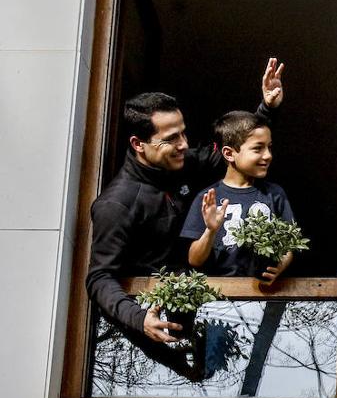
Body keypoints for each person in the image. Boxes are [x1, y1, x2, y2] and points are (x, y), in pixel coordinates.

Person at [86, 59, 285, 346]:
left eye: (183, 132)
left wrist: (266, 108)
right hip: (159, 323)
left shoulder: (183, 159)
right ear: (138, 144)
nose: (183, 144)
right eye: (171, 138)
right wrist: (138, 318)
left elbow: (235, 154)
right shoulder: (117, 204)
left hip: (221, 308)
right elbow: (100, 278)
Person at [181, 111, 296, 281]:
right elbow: (194, 260)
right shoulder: (207, 198)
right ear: (229, 153)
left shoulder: (274, 194)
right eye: (258, 148)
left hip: (262, 294)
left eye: (269, 147)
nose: (268, 155)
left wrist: (281, 265)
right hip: (218, 299)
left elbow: (290, 245)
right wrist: (211, 230)